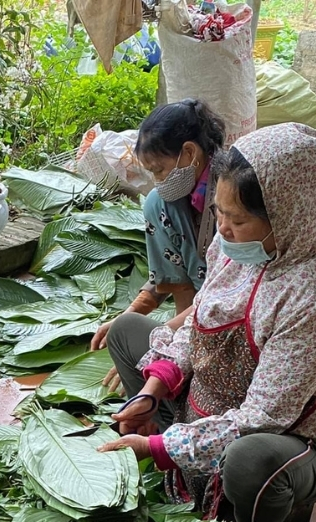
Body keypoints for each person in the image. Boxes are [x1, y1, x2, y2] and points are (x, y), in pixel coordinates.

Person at [100, 123, 316, 522]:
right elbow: (197, 321)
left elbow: (261, 418)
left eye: (238, 219)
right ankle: (187, 459)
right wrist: (154, 389)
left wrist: (157, 449)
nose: (222, 228)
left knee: (251, 460)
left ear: (292, 216)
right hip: (215, 399)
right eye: (220, 212)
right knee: (128, 330)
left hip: (288, 435)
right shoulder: (237, 247)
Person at [91, 99, 227, 394]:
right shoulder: (170, 202)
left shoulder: (231, 196)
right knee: (157, 202)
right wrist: (127, 317)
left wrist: (163, 345)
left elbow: (231, 292)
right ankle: (187, 352)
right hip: (195, 308)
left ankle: (188, 357)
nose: (157, 180)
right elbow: (170, 271)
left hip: (229, 309)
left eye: (160, 170)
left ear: (190, 153)